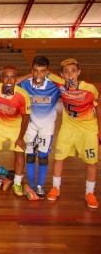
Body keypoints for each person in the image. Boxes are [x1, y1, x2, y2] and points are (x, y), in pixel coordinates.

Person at [46, 59, 101, 209]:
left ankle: (89, 193)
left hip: (88, 129)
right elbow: (43, 71)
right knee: (58, 158)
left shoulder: (89, 88)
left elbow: (98, 106)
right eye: (66, 72)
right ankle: (56, 187)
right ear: (62, 74)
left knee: (91, 161)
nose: (70, 75)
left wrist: (100, 130)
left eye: (73, 71)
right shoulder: (60, 83)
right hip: (68, 128)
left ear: (79, 72)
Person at [17, 56, 60, 200]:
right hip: (30, 126)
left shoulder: (54, 85)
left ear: (47, 71)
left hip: (47, 126)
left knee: (43, 157)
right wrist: (31, 74)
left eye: (42, 71)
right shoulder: (26, 84)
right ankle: (31, 185)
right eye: (35, 71)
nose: (38, 75)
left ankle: (40, 185)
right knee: (30, 156)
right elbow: (13, 83)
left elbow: (69, 85)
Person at [0, 65, 31, 196]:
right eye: (6, 77)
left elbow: (26, 117)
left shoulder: (23, 95)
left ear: (16, 79)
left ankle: (17, 182)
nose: (9, 80)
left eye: (12, 77)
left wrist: (21, 137)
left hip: (16, 126)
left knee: (20, 154)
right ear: (1, 78)